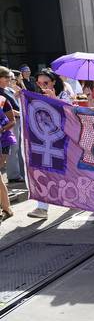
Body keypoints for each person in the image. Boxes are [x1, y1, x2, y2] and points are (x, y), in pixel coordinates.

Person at [27, 69, 72, 220]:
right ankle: (42, 208)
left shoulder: (63, 94)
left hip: (65, 140)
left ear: (53, 82)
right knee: (43, 171)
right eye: (38, 83)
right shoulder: (37, 96)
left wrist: (55, 99)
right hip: (45, 141)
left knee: (67, 173)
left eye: (45, 82)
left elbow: (71, 112)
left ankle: (77, 199)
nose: (41, 86)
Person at [0, 92, 16, 226]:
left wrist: (1, 129)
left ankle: (6, 208)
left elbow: (12, 121)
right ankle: (6, 208)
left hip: (3, 141)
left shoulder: (2, 100)